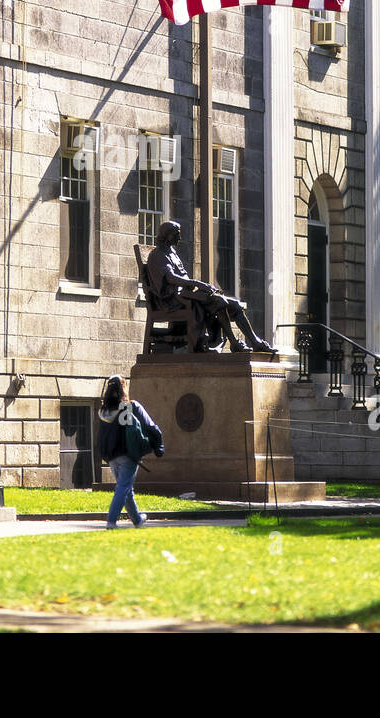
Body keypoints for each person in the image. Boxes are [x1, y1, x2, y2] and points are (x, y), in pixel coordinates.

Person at [145, 220, 275, 353]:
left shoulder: (172, 252)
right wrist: (198, 283)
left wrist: (200, 287)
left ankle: (255, 342)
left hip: (186, 294)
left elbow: (182, 278)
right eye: (177, 234)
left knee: (235, 305)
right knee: (219, 301)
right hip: (173, 300)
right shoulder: (158, 255)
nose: (180, 237)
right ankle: (233, 342)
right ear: (168, 235)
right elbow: (171, 278)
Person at [96, 375, 164, 529]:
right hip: (128, 454)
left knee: (126, 488)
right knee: (123, 487)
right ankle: (111, 521)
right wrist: (159, 445)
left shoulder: (103, 411)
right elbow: (151, 426)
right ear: (124, 387)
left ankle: (138, 520)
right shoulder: (129, 407)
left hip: (111, 456)